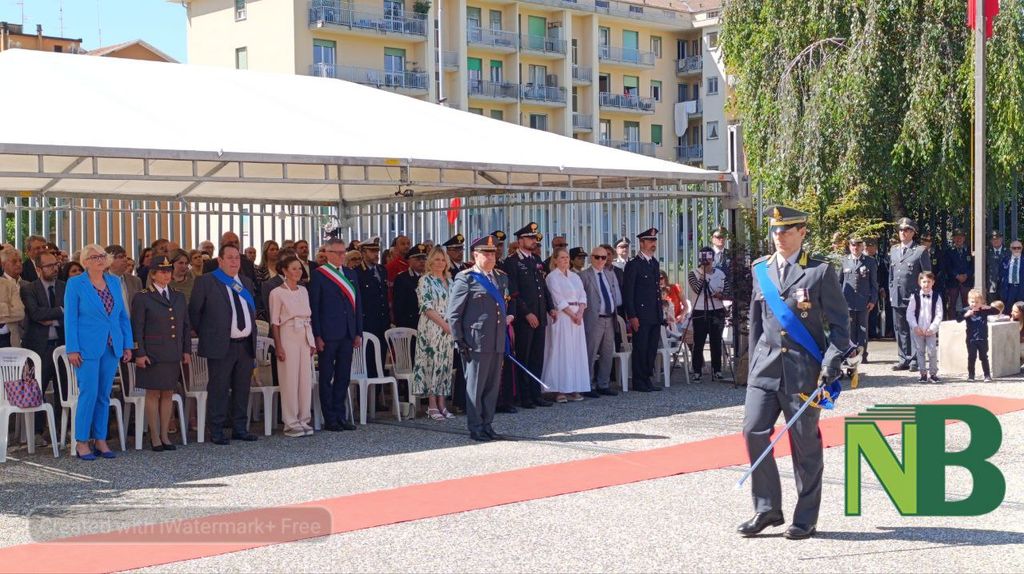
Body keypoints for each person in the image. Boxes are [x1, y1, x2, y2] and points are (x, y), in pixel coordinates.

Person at [739, 205, 849, 541]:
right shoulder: (761, 269)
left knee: (804, 445)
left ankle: (805, 518)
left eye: (786, 230)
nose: (779, 236)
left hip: (803, 371)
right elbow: (756, 323)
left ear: (802, 232)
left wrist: (831, 362)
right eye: (775, 231)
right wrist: (751, 366)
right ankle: (767, 508)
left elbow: (841, 326)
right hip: (765, 368)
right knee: (753, 431)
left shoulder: (819, 272)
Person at [64, 244, 134, 460]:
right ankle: (82, 441)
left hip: (112, 345)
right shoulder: (76, 283)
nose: (100, 259)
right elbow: (70, 318)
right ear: (85, 262)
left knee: (104, 394)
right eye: (94, 257)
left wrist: (127, 344)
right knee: (89, 393)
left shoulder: (114, 281)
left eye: (102, 256)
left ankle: (101, 439)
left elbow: (122, 315)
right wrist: (72, 348)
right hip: (86, 347)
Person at [189, 244, 260, 445]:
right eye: (230, 258)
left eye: (237, 258)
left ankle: (240, 428)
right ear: (220, 260)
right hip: (221, 345)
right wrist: (211, 334)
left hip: (245, 345)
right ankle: (217, 430)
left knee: (242, 388)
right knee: (218, 388)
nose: (234, 261)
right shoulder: (206, 281)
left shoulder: (246, 282)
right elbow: (195, 312)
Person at [447, 235, 511, 441]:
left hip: (496, 340)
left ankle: (487, 425)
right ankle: (475, 427)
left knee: (492, 387)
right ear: (475, 255)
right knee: (475, 387)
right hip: (475, 342)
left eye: (493, 252)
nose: (491, 256)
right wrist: (459, 340)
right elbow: (454, 314)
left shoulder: (501, 277)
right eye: (486, 253)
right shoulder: (466, 278)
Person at [131, 256, 191, 451]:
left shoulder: (178, 296)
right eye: (162, 271)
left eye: (168, 271)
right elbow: (137, 328)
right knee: (153, 393)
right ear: (153, 274)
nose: (166, 275)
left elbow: (185, 325)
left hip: (172, 351)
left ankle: (165, 435)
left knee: (168, 393)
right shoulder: (143, 297)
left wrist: (186, 350)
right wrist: (139, 353)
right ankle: (154, 435)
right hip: (152, 353)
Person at [310, 237, 362, 432]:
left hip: (348, 332)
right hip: (328, 334)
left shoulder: (350, 273)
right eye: (337, 253)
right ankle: (329, 418)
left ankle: (341, 415)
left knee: (343, 376)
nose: (341, 256)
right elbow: (315, 307)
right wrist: (317, 335)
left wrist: (358, 331)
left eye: (343, 252)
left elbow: (357, 304)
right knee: (326, 377)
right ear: (327, 253)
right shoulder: (319, 275)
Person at [503, 222, 554, 409]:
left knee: (537, 357)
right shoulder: (512, 262)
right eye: (530, 238)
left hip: (540, 315)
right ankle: (524, 397)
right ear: (520, 240)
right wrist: (527, 313)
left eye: (535, 238)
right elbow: (514, 292)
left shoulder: (536, 260)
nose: (534, 241)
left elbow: (543, 287)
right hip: (525, 319)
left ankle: (536, 393)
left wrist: (551, 308)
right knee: (524, 357)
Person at [21, 250, 65, 446]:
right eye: (49, 266)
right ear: (38, 269)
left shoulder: (65, 287)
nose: (54, 268)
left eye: (56, 264)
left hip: (62, 345)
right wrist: (60, 311)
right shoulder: (29, 289)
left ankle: (61, 430)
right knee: (37, 388)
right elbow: (36, 314)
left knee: (63, 389)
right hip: (39, 347)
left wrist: (53, 317)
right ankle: (38, 431)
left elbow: (71, 314)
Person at [269, 255, 316, 437]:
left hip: (304, 333)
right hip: (287, 334)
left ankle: (304, 418)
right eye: (294, 268)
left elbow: (308, 318)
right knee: (289, 379)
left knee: (305, 379)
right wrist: (279, 346)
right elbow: (275, 322)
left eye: (299, 268)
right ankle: (290, 422)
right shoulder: (276, 293)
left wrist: (311, 340)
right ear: (285, 271)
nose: (298, 272)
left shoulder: (304, 290)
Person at [541, 247, 590, 403]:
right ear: (555, 260)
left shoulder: (575, 276)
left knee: (576, 352)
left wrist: (580, 312)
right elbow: (557, 298)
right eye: (562, 257)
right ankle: (560, 389)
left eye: (567, 257)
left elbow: (582, 295)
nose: (565, 260)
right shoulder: (552, 277)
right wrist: (572, 314)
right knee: (561, 351)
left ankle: (574, 387)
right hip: (563, 316)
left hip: (577, 317)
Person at [412, 246, 455, 420]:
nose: (440, 263)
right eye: (437, 259)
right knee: (432, 363)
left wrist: (452, 325)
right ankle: (431, 405)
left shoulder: (450, 281)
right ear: (430, 261)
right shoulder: (425, 280)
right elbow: (426, 306)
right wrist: (444, 325)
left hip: (449, 328)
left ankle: (442, 403)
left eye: (443, 260)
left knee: (445, 364)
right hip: (432, 327)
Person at [623, 227, 664, 392]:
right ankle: (639, 381)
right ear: (642, 243)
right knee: (641, 347)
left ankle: (647, 378)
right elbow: (628, 292)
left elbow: (656, 291)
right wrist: (632, 315)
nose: (653, 244)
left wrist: (660, 313)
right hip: (641, 314)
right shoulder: (634, 265)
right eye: (650, 241)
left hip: (654, 313)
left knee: (651, 348)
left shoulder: (654, 263)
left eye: (654, 241)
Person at [579, 245, 621, 397]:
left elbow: (615, 295)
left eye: (604, 257)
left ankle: (603, 384)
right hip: (593, 319)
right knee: (590, 353)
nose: (601, 260)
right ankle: (587, 385)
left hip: (609, 318)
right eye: (597, 257)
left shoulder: (610, 274)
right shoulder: (584, 275)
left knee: (607, 353)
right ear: (592, 258)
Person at [889, 218, 931, 371]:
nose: (903, 232)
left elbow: (927, 275)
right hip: (898, 295)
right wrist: (891, 293)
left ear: (913, 232)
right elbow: (891, 275)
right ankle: (903, 358)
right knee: (900, 328)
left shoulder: (920, 251)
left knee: (914, 328)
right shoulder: (894, 250)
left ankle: (915, 359)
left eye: (906, 230)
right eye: (901, 230)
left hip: (914, 296)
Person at [688, 246, 729, 381]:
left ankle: (717, 370)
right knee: (698, 342)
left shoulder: (720, 274)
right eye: (704, 257)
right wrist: (703, 274)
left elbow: (727, 291)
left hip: (717, 310)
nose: (707, 261)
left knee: (716, 341)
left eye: (709, 257)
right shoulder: (693, 273)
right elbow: (697, 289)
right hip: (699, 310)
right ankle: (697, 370)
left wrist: (721, 295)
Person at [356, 238, 390, 379]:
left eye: (377, 251)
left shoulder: (381, 270)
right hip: (367, 322)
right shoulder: (357, 272)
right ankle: (366, 392)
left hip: (382, 322)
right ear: (363, 253)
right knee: (367, 360)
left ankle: (378, 391)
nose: (376, 254)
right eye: (372, 251)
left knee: (380, 360)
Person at [841, 236, 878, 363]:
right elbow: (839, 282)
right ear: (849, 246)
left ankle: (862, 355)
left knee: (863, 329)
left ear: (862, 247)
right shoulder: (844, 261)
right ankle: (851, 354)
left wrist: (873, 300)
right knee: (850, 329)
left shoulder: (870, 261)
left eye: (858, 245)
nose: (855, 248)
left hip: (864, 301)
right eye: (853, 245)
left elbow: (874, 283)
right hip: (847, 301)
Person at [906, 271, 942, 383]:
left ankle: (933, 373)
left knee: (932, 351)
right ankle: (923, 373)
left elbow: (939, 314)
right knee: (920, 351)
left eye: (929, 282)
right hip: (918, 329)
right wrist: (915, 326)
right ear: (919, 283)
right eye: (924, 282)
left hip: (930, 329)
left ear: (933, 282)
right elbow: (910, 313)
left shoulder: (936, 296)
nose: (926, 284)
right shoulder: (915, 296)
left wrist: (933, 328)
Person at [958, 288, 998, 382]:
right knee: (971, 357)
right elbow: (958, 319)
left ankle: (987, 375)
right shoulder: (966, 310)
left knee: (984, 357)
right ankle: (971, 375)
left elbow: (997, 311)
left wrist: (988, 307)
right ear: (968, 301)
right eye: (972, 302)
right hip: (971, 339)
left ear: (981, 302)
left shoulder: (983, 310)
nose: (974, 304)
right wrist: (966, 315)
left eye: (977, 302)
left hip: (982, 338)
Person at [392, 243, 428, 329]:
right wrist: (402, 327)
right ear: (409, 261)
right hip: (410, 324)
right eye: (418, 259)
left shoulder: (430, 277)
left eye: (424, 258)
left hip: (428, 323)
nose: (422, 261)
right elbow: (398, 307)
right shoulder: (402, 278)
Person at [943, 229, 973, 316]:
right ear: (953, 238)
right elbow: (947, 266)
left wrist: (966, 275)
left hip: (967, 281)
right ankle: (951, 321)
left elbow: (973, 265)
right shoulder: (949, 251)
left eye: (961, 237)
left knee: (967, 304)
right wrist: (956, 276)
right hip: (953, 281)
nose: (958, 239)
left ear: (964, 238)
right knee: (951, 304)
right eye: (956, 237)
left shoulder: (969, 251)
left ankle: (967, 321)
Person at [105, 245, 143, 312]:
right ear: (109, 261)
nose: (125, 260)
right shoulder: (100, 281)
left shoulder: (136, 281)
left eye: (125, 256)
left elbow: (141, 305)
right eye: (120, 257)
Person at [0, 247, 25, 348]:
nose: (18, 264)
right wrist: (8, 308)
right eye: (14, 261)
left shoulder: (28, 284)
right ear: (3, 264)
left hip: (16, 339)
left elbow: (20, 313)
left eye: (20, 261)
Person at [865, 238, 887, 342]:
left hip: (875, 288)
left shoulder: (879, 260)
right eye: (868, 246)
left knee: (874, 311)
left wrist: (882, 287)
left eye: (872, 246)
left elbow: (882, 274)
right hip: (863, 289)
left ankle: (872, 332)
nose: (869, 248)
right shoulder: (862, 258)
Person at [987, 230, 1009, 302]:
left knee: (1005, 305)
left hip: (1005, 285)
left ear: (1001, 239)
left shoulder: (1009, 252)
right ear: (990, 241)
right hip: (991, 286)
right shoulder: (986, 252)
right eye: (993, 239)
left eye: (998, 239)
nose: (996, 241)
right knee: (992, 306)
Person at [1001, 240, 1024, 307]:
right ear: (1010, 249)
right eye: (1014, 248)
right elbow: (1000, 274)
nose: (1016, 250)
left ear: (1022, 248)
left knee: (1021, 310)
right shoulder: (1005, 260)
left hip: (1021, 288)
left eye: (1019, 248)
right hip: (1009, 289)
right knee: (1008, 309)